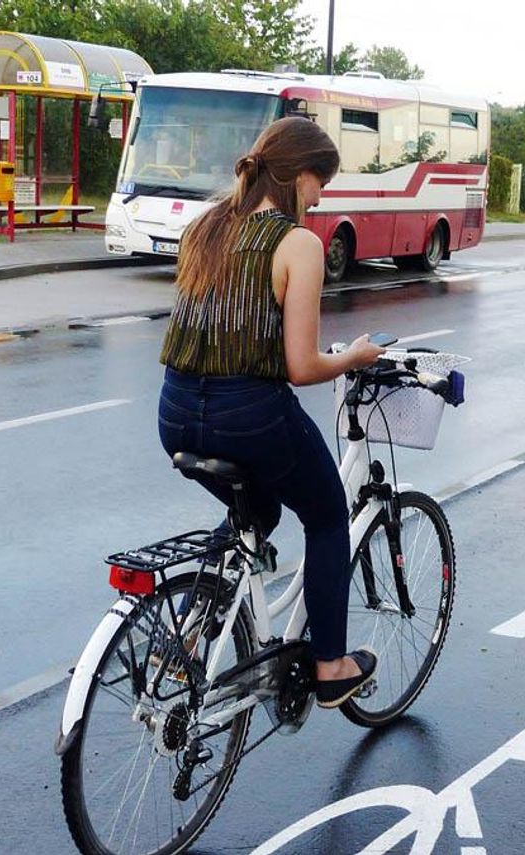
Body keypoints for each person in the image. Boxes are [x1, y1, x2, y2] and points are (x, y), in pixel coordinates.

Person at [157, 116, 385, 708]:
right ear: (298, 175)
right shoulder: (296, 244)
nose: (319, 198)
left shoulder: (204, 228)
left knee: (252, 512)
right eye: (321, 183)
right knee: (328, 514)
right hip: (249, 415)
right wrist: (354, 356)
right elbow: (301, 367)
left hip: (176, 410)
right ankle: (331, 666)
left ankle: (180, 644)